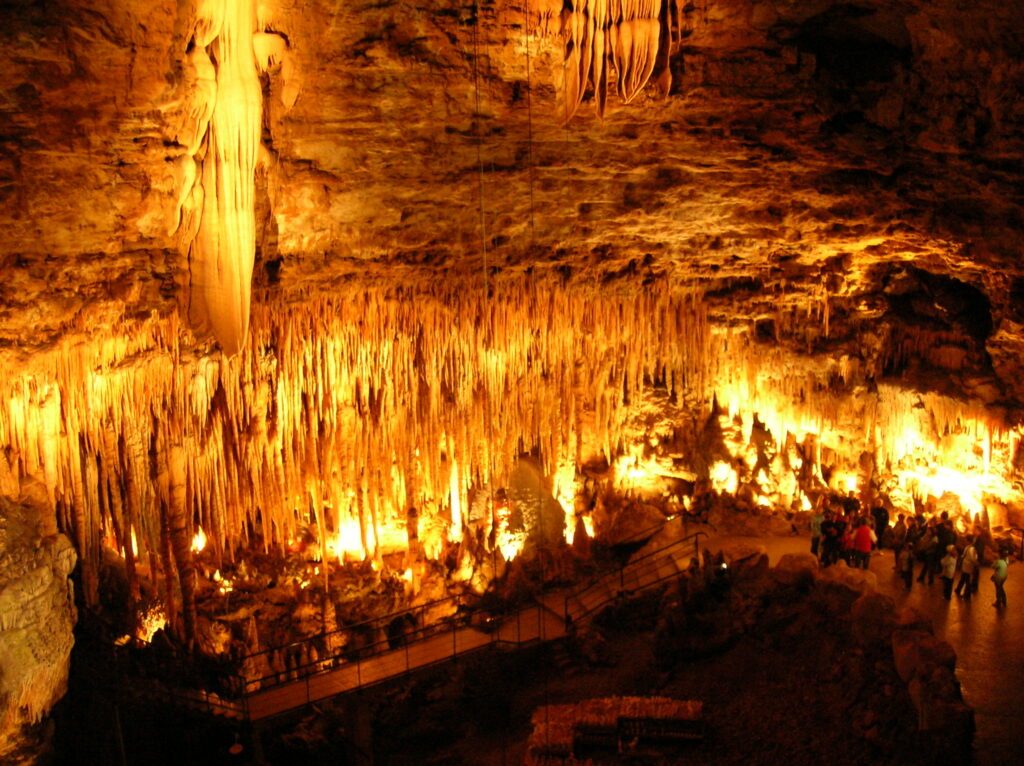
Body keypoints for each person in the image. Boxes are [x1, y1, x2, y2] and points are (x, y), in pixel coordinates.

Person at [955, 536, 977, 600]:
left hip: (967, 565)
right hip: (968, 565)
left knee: (965, 578)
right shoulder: (970, 548)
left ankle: (965, 593)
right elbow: (973, 558)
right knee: (965, 578)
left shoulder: (969, 548)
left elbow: (970, 557)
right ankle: (961, 591)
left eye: (966, 540)